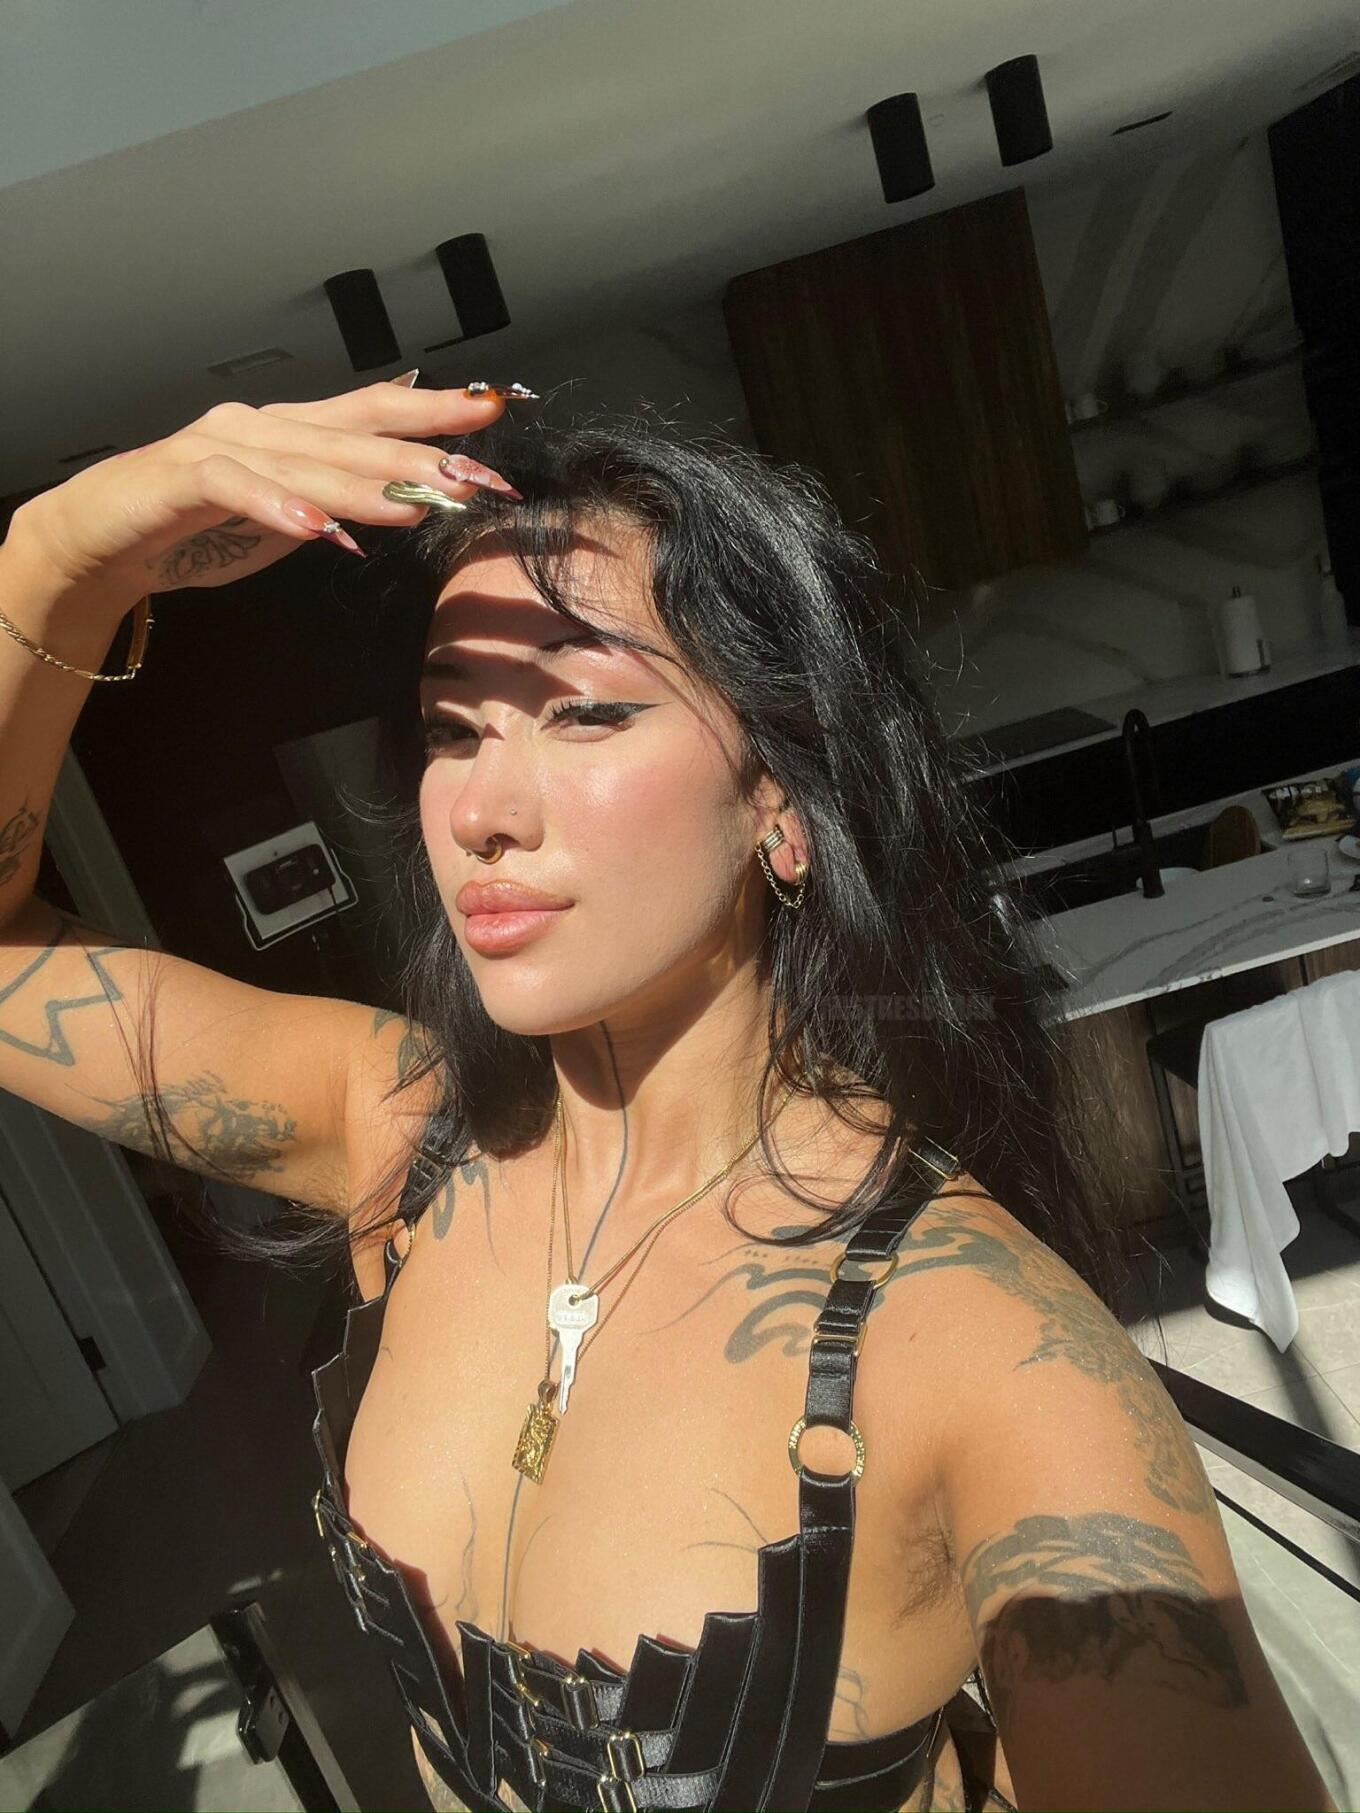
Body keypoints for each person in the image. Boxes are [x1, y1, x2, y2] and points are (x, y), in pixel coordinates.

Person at [0, 378, 1337, 1813]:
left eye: (585, 710)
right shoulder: (402, 1137)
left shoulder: (987, 1357)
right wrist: (61, 552)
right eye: (452, 727)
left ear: (781, 798)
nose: (479, 811)